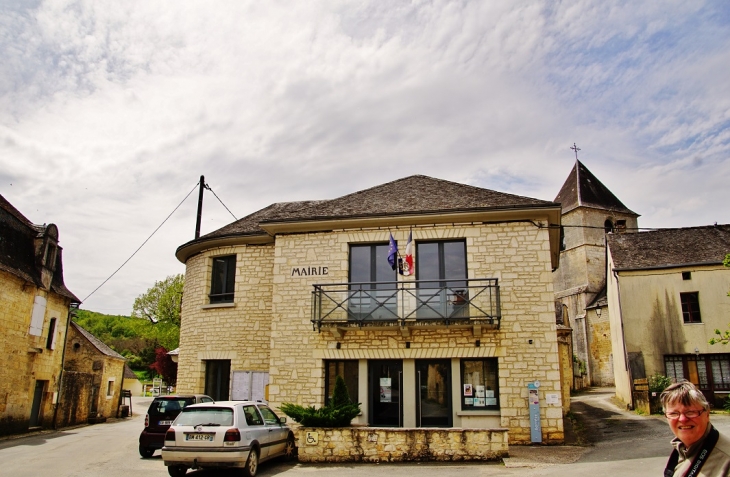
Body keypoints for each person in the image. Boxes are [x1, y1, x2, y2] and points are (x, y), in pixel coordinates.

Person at [661, 380, 730, 476]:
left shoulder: (726, 461)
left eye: (690, 412)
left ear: (707, 414)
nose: (683, 419)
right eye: (673, 413)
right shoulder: (683, 449)